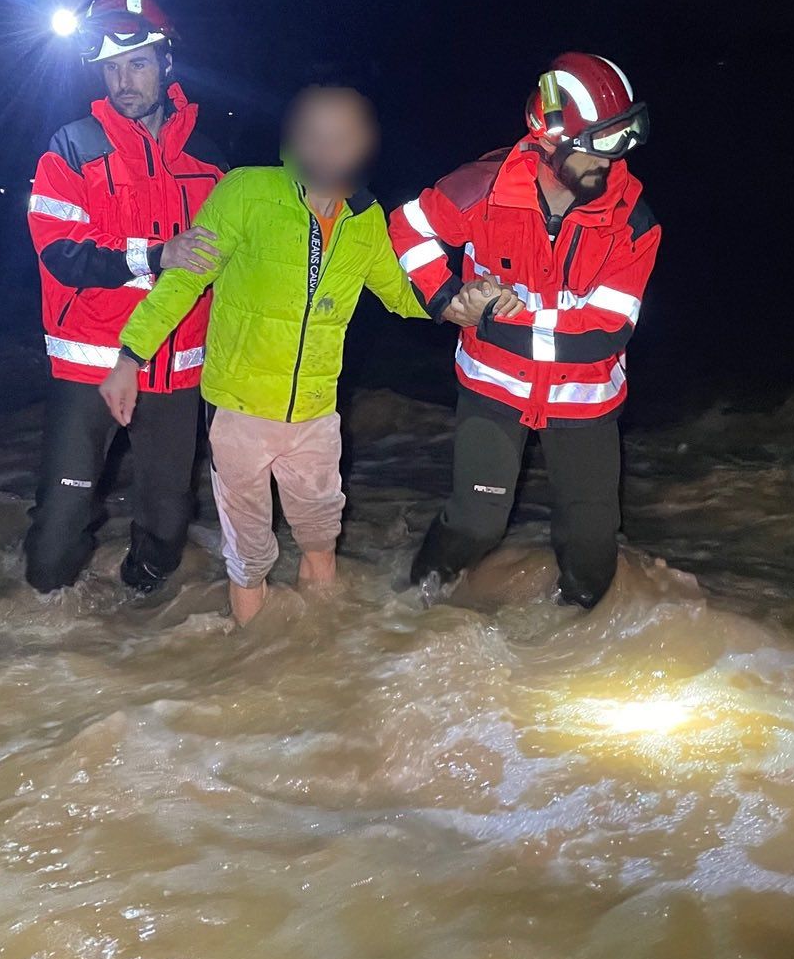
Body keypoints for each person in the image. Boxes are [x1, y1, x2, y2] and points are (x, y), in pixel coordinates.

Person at [99, 85, 504, 625]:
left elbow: (400, 293)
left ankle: (322, 659)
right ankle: (254, 661)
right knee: (250, 556)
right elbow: (182, 282)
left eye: (345, 138)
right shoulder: (247, 191)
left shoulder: (365, 220)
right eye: (318, 135)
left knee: (320, 536)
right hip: (239, 409)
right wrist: (130, 357)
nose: (331, 150)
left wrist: (459, 305)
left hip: (315, 414)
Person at [389, 52, 661, 609]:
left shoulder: (633, 220)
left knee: (590, 548)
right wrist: (444, 297)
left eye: (623, 144)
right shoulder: (480, 189)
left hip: (584, 401)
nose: (613, 164)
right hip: (494, 390)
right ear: (550, 136)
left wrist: (490, 317)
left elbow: (604, 332)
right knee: (475, 524)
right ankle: (405, 614)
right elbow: (408, 226)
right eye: (600, 145)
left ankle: (566, 654)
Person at [22, 0, 230, 595]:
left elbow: (236, 265)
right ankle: (40, 647)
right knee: (58, 531)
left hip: (177, 369)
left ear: (168, 63)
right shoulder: (70, 148)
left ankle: (135, 642)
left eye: (137, 62)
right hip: (89, 365)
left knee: (168, 526)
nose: (123, 80)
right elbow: (61, 252)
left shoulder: (211, 163)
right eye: (110, 68)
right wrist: (155, 253)